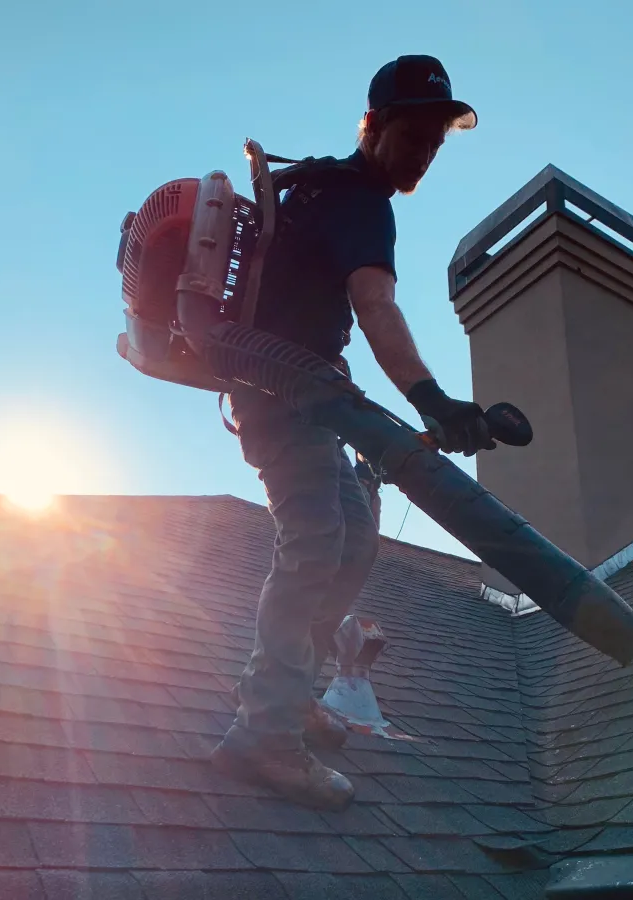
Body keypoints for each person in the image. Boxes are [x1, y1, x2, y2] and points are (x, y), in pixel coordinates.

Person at [211, 54, 494, 811]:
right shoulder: (358, 199)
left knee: (356, 536)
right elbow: (376, 308)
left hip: (308, 394)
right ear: (371, 126)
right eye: (411, 134)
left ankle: (291, 692)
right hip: (281, 393)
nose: (423, 153)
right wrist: (433, 399)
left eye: (436, 141)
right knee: (312, 543)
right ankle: (263, 735)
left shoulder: (324, 185)